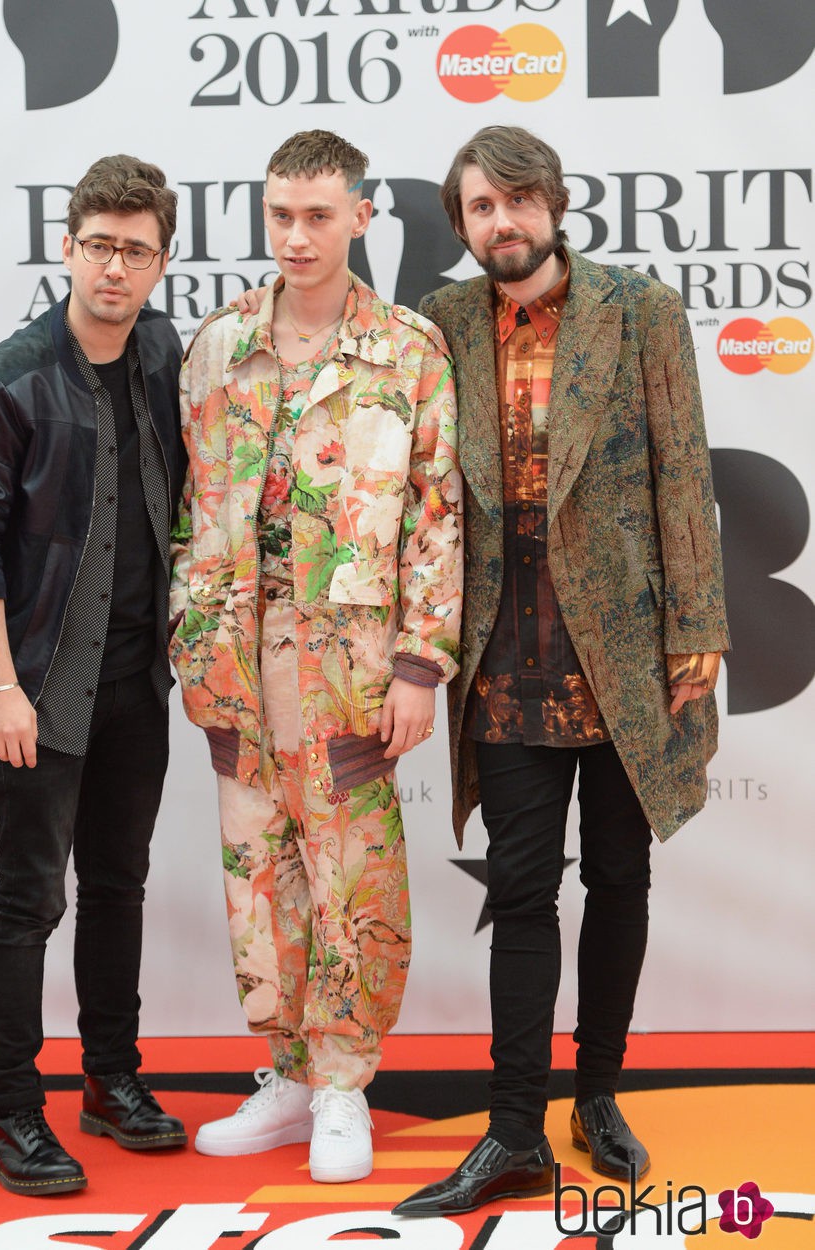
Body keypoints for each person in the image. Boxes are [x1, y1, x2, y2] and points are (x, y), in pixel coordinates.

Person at [392, 126, 729, 1217]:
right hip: (504, 654)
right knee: (521, 889)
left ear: (554, 203)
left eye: (518, 200)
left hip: (627, 648)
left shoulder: (639, 310)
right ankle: (509, 1130)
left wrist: (699, 626)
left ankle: (597, 1095)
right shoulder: (438, 325)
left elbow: (682, 466)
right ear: (459, 224)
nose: (503, 221)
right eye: (481, 207)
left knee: (620, 881)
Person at [169, 129, 462, 1184]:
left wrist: (420, 663)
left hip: (349, 663)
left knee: (353, 871)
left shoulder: (407, 349)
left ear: (358, 218)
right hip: (234, 663)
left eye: (317, 216)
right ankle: (286, 1074)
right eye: (279, 215)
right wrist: (191, 634)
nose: (296, 236)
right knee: (259, 870)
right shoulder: (215, 344)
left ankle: (343, 1080)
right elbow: (185, 506)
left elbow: (438, 513)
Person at [0, 154, 188, 1196]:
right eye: (98, 245)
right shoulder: (4, 379)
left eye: (135, 250)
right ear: (68, 247)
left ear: (161, 261)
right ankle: (8, 1112)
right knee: (30, 893)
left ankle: (110, 1079)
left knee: (119, 885)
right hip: (38, 686)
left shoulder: (166, 352)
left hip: (138, 676)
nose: (114, 267)